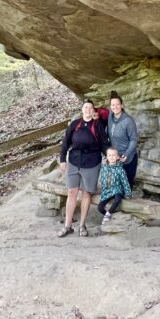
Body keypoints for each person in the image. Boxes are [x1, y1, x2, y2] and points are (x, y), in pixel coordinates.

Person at [58, 99, 108, 237]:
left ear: (93, 111)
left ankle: (82, 225)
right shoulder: (75, 124)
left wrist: (110, 154)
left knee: (86, 193)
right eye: (85, 107)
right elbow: (65, 142)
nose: (87, 109)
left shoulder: (97, 126)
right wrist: (63, 159)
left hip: (92, 163)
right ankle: (68, 225)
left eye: (90, 108)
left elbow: (104, 143)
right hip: (74, 162)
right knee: (72, 192)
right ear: (82, 109)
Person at [105, 90, 139, 187]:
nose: (115, 107)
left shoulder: (128, 120)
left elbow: (133, 139)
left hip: (128, 159)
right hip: (115, 158)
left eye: (117, 104)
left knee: (126, 187)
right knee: (116, 187)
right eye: (113, 105)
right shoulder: (109, 118)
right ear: (110, 107)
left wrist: (127, 153)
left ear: (122, 105)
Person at [97, 147, 132, 225]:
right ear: (107, 156)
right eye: (109, 155)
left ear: (117, 157)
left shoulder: (120, 169)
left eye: (113, 155)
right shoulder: (104, 168)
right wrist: (103, 189)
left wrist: (128, 193)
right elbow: (102, 179)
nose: (111, 157)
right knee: (100, 208)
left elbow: (125, 182)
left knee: (118, 198)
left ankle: (108, 214)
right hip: (107, 191)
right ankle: (111, 215)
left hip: (117, 189)